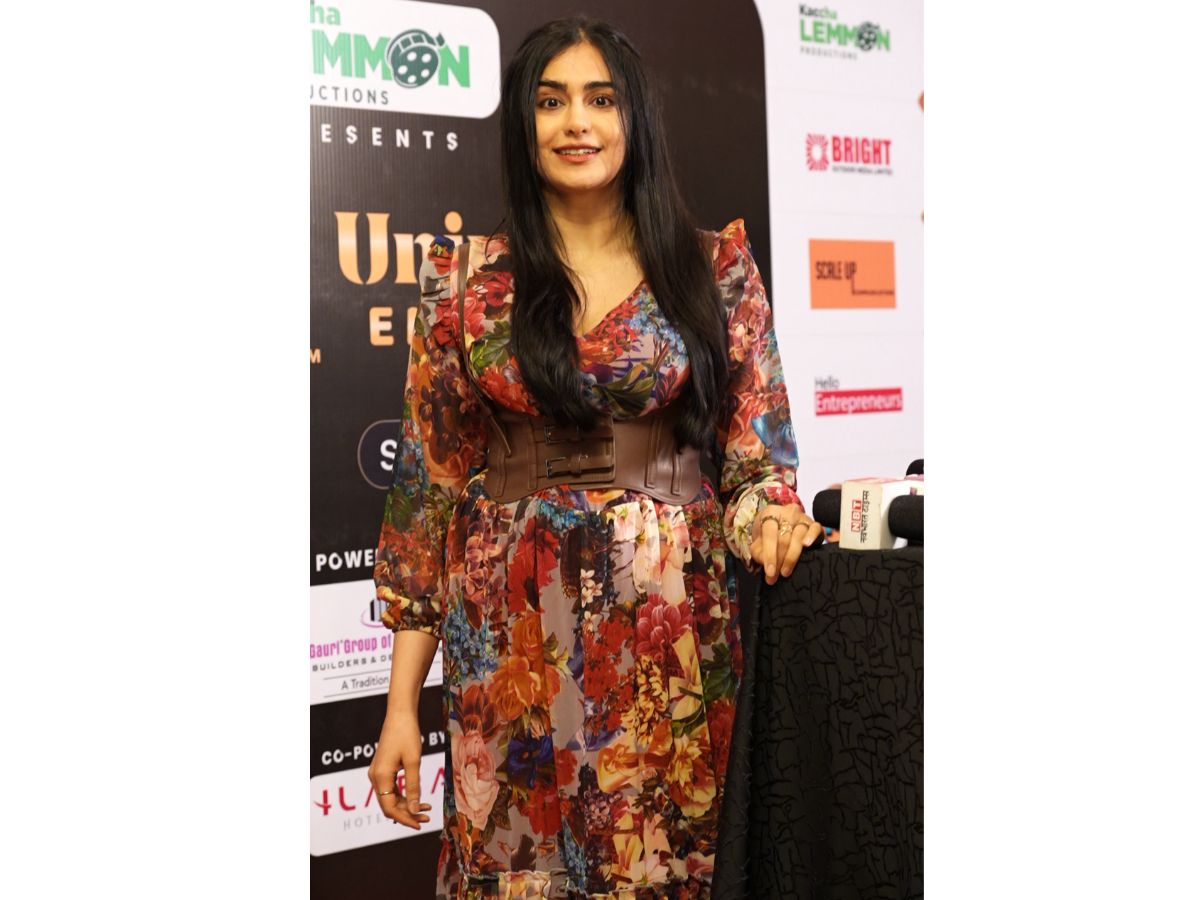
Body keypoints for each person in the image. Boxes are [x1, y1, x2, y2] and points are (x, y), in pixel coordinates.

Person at [367, 16, 821, 899]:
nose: (576, 122)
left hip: (670, 635)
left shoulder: (712, 270)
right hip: (509, 643)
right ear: (523, 124)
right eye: (551, 102)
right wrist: (398, 712)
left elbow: (756, 460)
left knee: (667, 867)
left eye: (600, 100)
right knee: (516, 872)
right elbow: (427, 500)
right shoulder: (466, 281)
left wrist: (771, 516)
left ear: (633, 117)